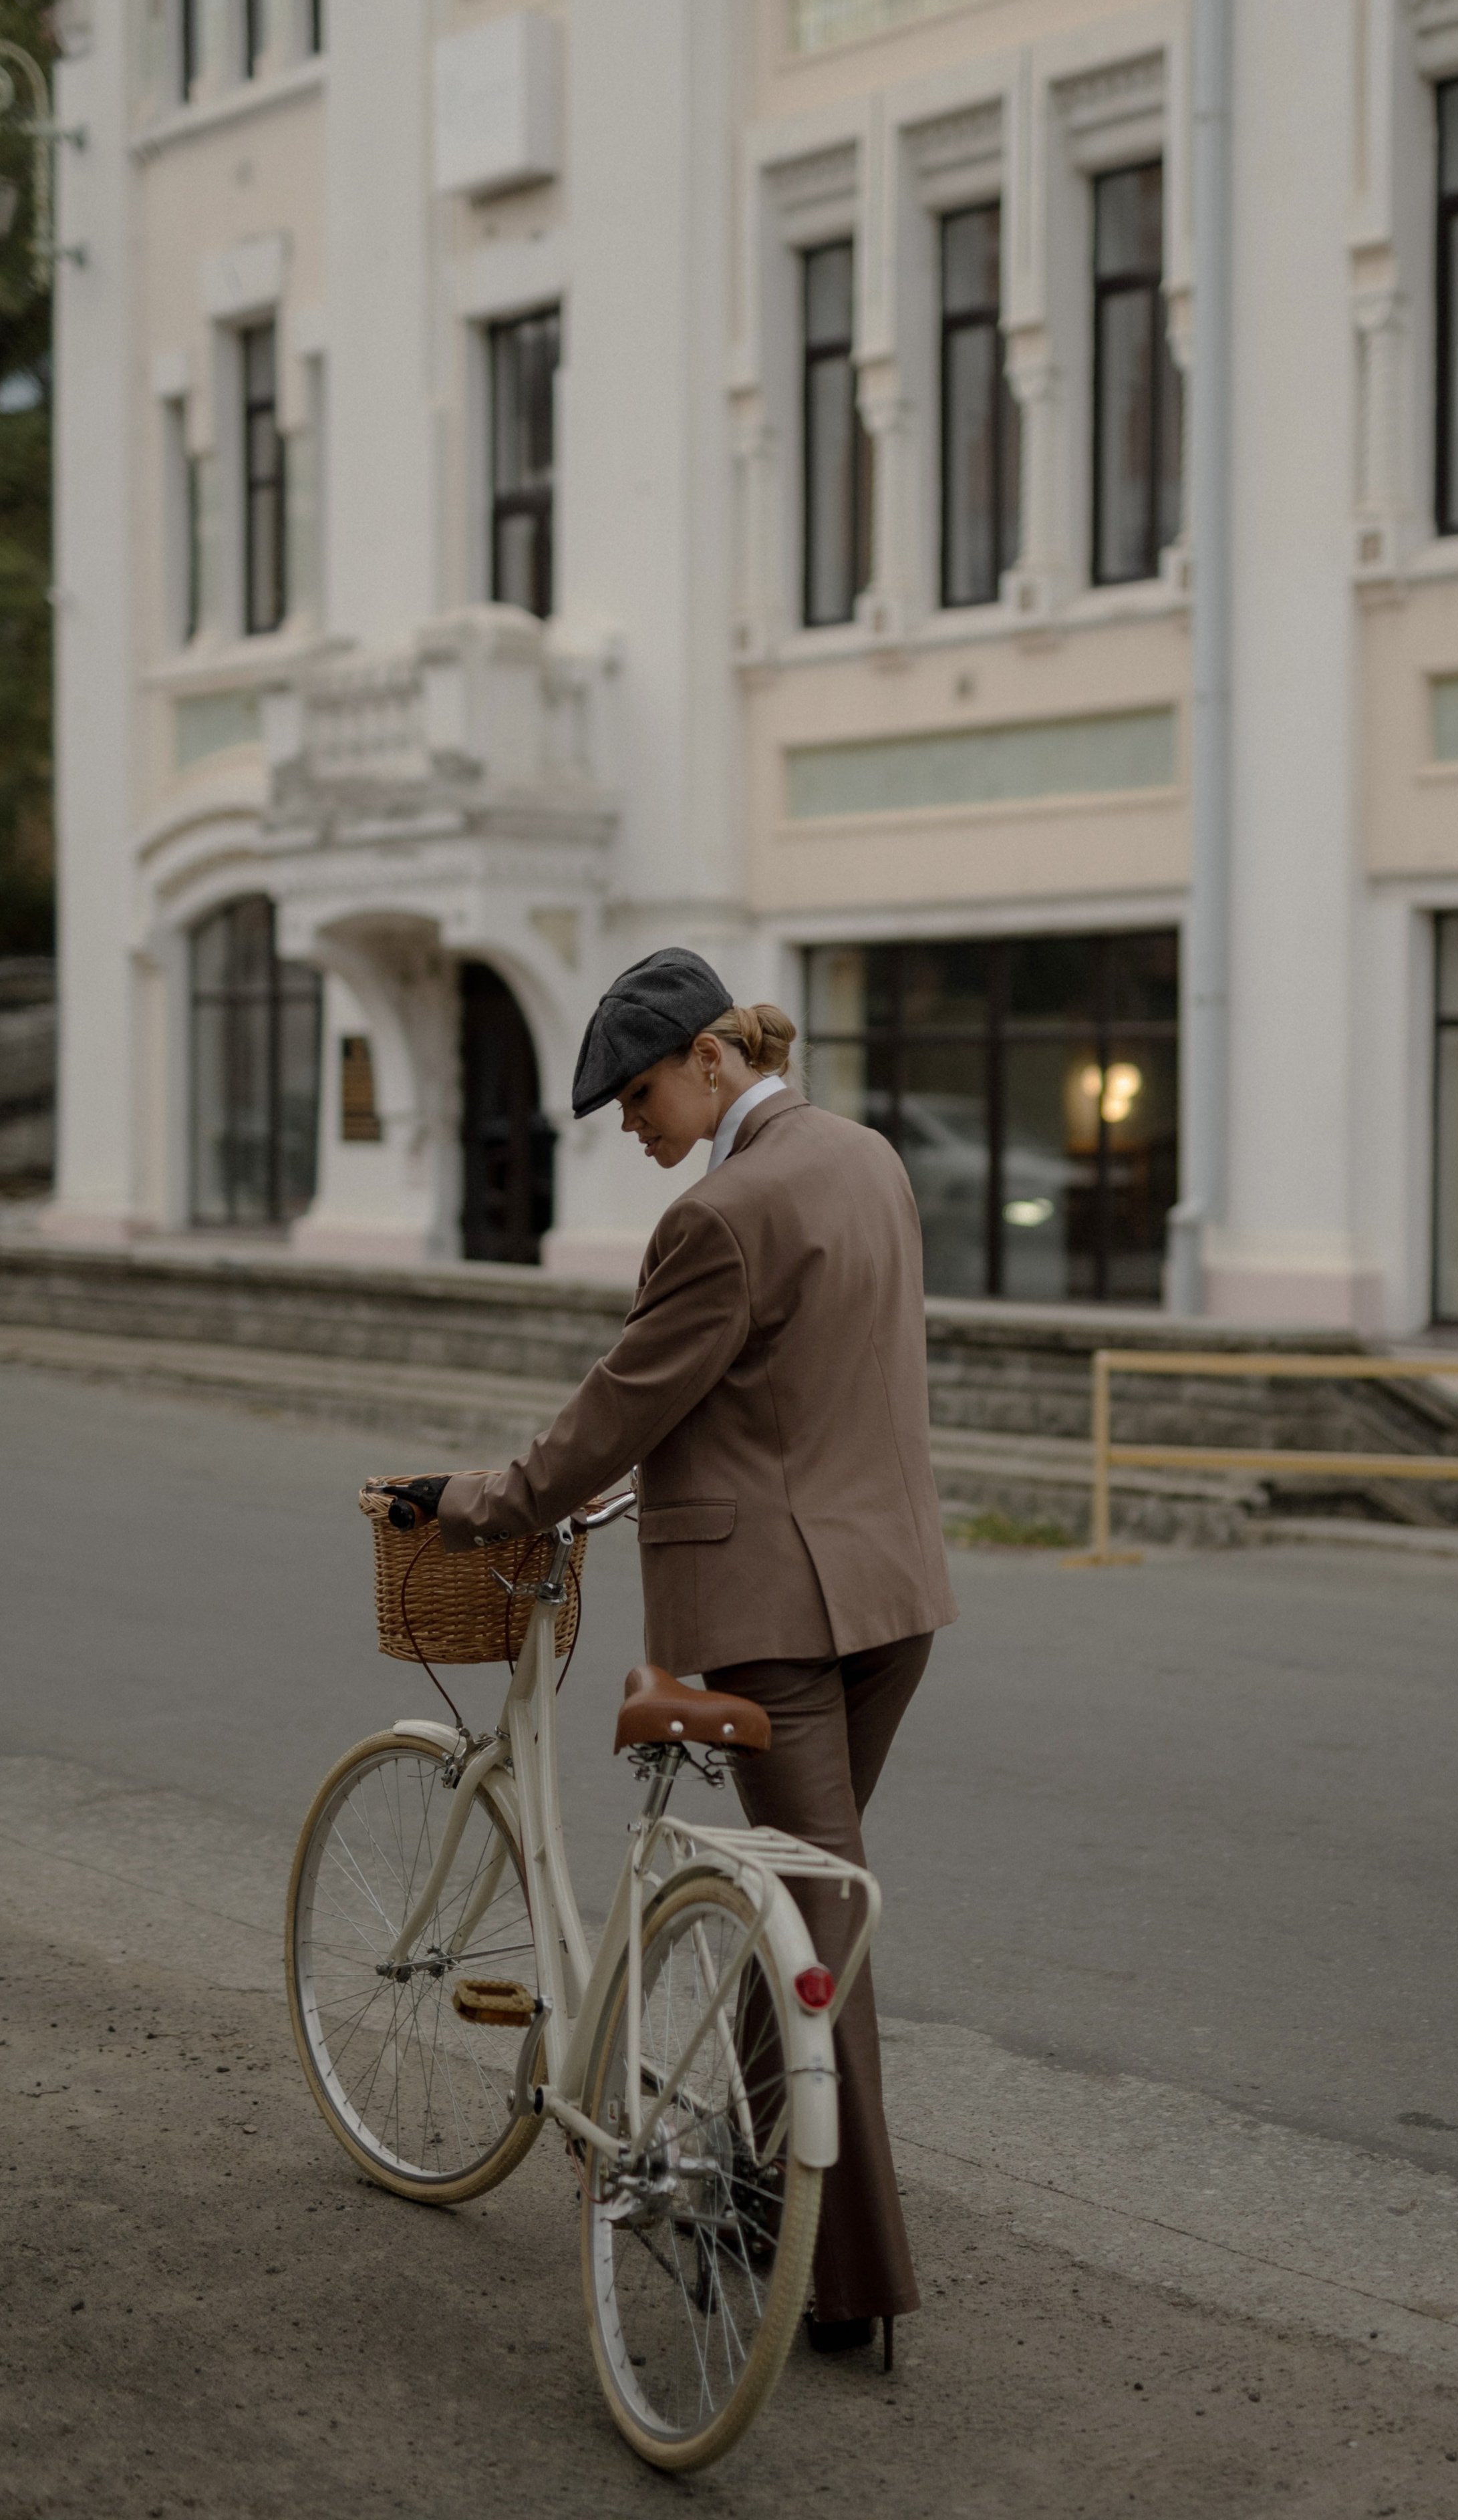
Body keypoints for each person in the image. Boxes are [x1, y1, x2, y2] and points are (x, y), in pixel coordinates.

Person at [392, 945, 956, 2360]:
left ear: (712, 1060)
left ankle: (845, 2288)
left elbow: (617, 1411)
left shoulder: (721, 1217)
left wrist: (473, 1503)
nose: (631, 1128)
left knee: (816, 1933)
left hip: (773, 1622)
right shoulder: (865, 1158)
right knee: (806, 1916)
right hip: (894, 1599)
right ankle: (771, 2206)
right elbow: (811, 1374)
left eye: (639, 1094)